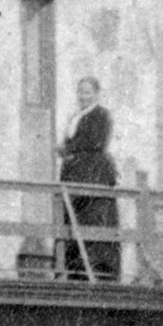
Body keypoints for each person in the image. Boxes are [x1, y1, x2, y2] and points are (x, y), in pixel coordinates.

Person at [59, 75, 120, 279]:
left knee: (94, 219)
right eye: (80, 92)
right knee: (74, 221)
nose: (82, 96)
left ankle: (98, 271)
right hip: (75, 174)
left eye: (87, 92)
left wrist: (68, 149)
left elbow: (95, 142)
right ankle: (76, 270)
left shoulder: (101, 115)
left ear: (96, 94)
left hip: (93, 175)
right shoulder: (76, 116)